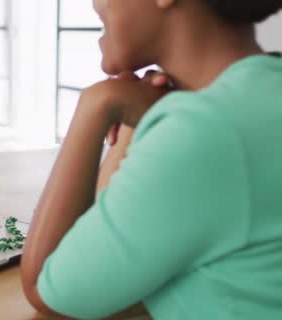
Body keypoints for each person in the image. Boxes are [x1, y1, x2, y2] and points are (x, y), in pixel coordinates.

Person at [21, 0, 282, 319]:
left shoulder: (205, 130)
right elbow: (108, 259)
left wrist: (97, 104)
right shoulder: (258, 93)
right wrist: (138, 122)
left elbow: (51, 294)